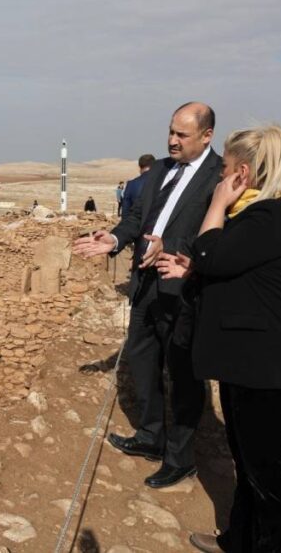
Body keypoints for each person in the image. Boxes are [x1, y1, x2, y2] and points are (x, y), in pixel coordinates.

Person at [158, 124, 281, 553]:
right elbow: (229, 271)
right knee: (250, 466)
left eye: (224, 170)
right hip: (251, 363)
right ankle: (240, 540)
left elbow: (212, 254)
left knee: (268, 476)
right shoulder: (255, 217)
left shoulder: (270, 215)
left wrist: (215, 205)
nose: (219, 178)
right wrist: (193, 270)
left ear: (242, 174)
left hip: (268, 367)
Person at [73, 102, 221, 489]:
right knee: (141, 358)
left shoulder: (219, 176)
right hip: (146, 286)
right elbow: (138, 217)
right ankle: (151, 437)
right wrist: (116, 237)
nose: (172, 141)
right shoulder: (159, 168)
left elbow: (213, 235)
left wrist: (171, 246)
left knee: (185, 376)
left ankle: (181, 457)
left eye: (182, 135)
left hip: (183, 288)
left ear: (207, 136)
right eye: (171, 132)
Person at [121, 154, 156, 219]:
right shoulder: (163, 182)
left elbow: (125, 212)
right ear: (155, 166)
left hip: (137, 226)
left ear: (139, 167)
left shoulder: (131, 184)